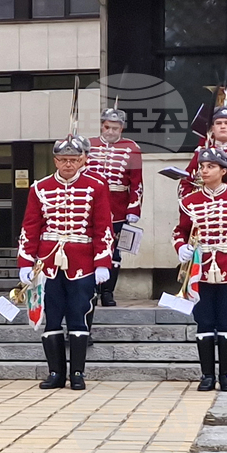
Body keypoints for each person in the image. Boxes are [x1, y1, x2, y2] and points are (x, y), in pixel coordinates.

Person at [18, 135, 113, 391]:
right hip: (48, 261)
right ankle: (56, 373)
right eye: (63, 159)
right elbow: (30, 228)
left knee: (78, 316)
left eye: (73, 159)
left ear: (83, 160)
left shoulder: (96, 186)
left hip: (82, 261)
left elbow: (103, 227)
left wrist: (103, 261)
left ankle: (78, 373)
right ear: (55, 160)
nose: (68, 164)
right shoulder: (40, 188)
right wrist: (25, 262)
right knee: (52, 318)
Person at [173, 147, 227, 392]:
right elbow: (180, 231)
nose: (204, 170)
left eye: (210, 166)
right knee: (204, 322)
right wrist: (181, 248)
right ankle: (207, 375)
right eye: (202, 166)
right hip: (200, 269)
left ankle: (226, 375)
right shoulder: (190, 201)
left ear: (223, 171)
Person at [86, 108, 143, 307]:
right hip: (91, 205)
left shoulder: (132, 147)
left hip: (118, 207)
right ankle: (91, 289)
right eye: (107, 127)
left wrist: (133, 209)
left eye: (115, 128)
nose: (111, 131)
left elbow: (137, 183)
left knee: (115, 252)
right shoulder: (89, 145)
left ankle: (108, 292)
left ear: (122, 128)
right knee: (91, 248)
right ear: (102, 125)